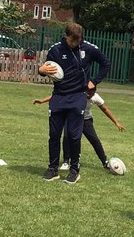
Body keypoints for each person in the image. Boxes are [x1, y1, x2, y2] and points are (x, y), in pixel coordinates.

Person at [38, 22, 110, 185]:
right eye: (72, 40)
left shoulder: (89, 48)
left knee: (73, 135)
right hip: (58, 97)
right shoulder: (55, 49)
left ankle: (74, 170)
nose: (75, 43)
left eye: (78, 40)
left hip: (78, 97)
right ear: (66, 36)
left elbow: (106, 64)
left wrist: (94, 81)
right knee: (54, 135)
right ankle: (52, 168)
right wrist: (40, 70)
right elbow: (46, 69)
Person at [33, 90, 126, 171]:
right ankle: (66, 161)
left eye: (92, 92)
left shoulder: (95, 97)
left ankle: (105, 162)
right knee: (67, 137)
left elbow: (105, 109)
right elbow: (58, 95)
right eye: (88, 92)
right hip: (72, 118)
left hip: (86, 120)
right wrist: (42, 101)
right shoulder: (76, 94)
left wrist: (116, 123)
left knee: (94, 140)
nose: (89, 94)